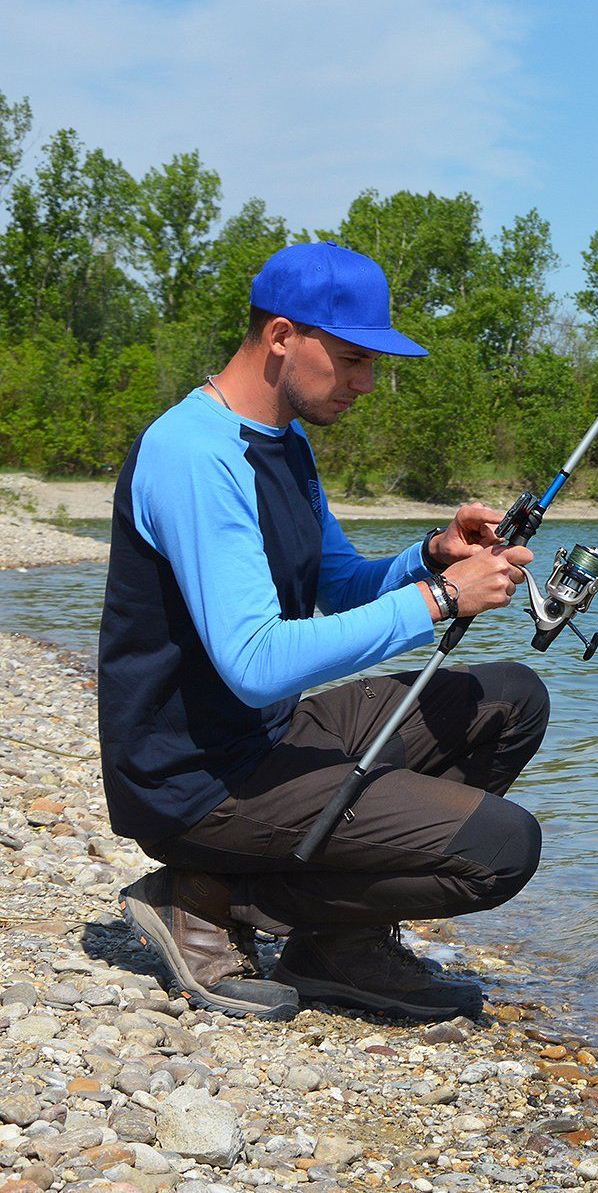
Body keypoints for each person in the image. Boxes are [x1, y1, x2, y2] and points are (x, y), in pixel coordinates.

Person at [98, 241, 545, 1022]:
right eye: (351, 360)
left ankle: (339, 940)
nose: (367, 384)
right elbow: (256, 661)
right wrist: (441, 599)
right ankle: (205, 896)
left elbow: (333, 581)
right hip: (192, 780)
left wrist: (430, 555)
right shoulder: (192, 453)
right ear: (280, 338)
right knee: (502, 848)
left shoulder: (284, 441)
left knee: (511, 698)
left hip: (263, 738)